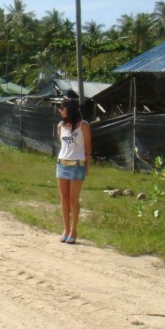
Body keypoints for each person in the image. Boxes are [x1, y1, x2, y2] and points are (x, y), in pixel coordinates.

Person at [55, 97, 91, 245]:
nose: (60, 110)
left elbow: (88, 148)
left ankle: (74, 230)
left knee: (73, 199)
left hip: (77, 165)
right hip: (62, 164)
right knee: (64, 198)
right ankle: (65, 229)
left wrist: (86, 165)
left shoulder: (83, 125)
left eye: (62, 107)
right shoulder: (60, 126)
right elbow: (63, 146)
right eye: (60, 108)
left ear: (70, 109)